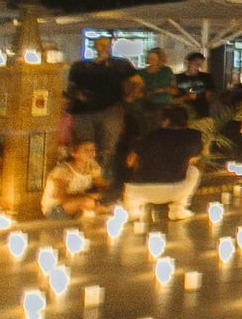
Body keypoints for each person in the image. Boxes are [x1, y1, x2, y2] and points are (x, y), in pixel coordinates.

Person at [65, 36, 135, 183]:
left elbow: (137, 81)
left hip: (110, 111)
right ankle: (84, 180)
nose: (103, 47)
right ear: (95, 47)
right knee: (85, 146)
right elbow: (71, 86)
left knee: (107, 148)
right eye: (100, 44)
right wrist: (77, 94)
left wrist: (128, 98)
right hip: (84, 111)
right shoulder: (81, 66)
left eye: (106, 45)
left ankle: (103, 181)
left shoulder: (120, 65)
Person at [123, 106, 203, 221]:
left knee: (132, 199)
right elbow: (193, 160)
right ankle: (178, 209)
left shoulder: (151, 135)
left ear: (166, 121)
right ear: (187, 121)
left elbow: (129, 161)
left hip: (139, 190)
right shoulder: (193, 135)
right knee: (194, 171)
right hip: (174, 189)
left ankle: (132, 211)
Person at [41, 141, 105, 219]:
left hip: (78, 205)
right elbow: (60, 196)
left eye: (92, 150)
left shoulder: (93, 166)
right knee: (88, 202)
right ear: (74, 154)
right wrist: (89, 196)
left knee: (110, 205)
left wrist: (103, 194)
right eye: (86, 151)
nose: (91, 153)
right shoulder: (63, 170)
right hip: (55, 209)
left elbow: (101, 185)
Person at [175, 53, 213, 118]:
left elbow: (209, 97)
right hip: (182, 114)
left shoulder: (206, 77)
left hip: (201, 113)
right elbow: (174, 99)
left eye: (200, 65)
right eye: (196, 64)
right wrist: (187, 97)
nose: (197, 68)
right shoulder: (178, 78)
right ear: (189, 63)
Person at [140, 48, 178, 112]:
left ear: (159, 58)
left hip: (165, 103)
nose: (150, 59)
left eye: (153, 58)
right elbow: (140, 88)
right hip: (148, 104)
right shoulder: (142, 72)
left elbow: (174, 89)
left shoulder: (166, 71)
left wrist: (161, 90)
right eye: (149, 57)